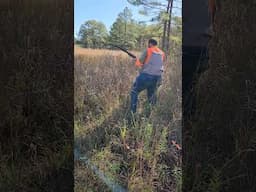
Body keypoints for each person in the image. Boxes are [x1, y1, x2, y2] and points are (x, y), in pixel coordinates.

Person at [130, 39, 165, 113]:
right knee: (151, 95)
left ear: (150, 44)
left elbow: (139, 63)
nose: (148, 45)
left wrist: (135, 60)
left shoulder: (148, 50)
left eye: (148, 44)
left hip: (146, 76)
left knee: (134, 91)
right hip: (158, 78)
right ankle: (151, 113)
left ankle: (132, 113)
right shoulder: (162, 53)